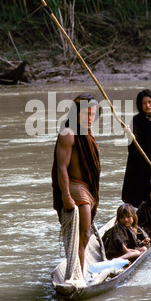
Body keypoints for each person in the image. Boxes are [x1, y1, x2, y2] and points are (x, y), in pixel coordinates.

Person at [51, 94, 101, 273]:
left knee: (84, 236)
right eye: (86, 114)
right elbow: (61, 168)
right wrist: (65, 195)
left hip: (87, 188)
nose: (90, 118)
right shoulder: (68, 134)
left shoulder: (88, 132)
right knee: (81, 235)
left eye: (92, 114)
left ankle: (77, 270)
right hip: (75, 188)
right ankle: (77, 275)